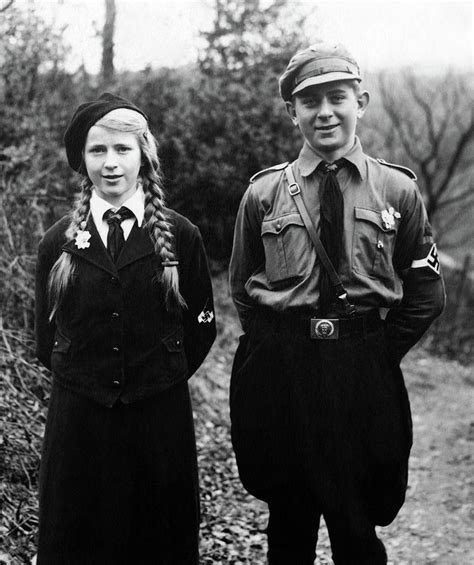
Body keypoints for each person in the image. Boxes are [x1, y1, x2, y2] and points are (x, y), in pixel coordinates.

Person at [229, 43, 445, 564]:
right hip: (284, 370)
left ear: (361, 101)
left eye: (337, 97)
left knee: (357, 518)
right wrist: (279, 347)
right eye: (310, 102)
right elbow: (242, 287)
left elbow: (426, 291)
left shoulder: (396, 189)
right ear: (292, 112)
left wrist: (375, 349)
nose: (324, 112)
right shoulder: (264, 194)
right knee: (288, 518)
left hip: (361, 370)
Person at [34, 93, 216, 564]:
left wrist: (153, 376)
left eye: (123, 150)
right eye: (98, 151)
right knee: (79, 542)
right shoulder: (57, 243)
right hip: (80, 428)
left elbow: (200, 331)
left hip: (158, 425)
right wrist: (93, 381)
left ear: (144, 156)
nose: (110, 164)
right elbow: (44, 340)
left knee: (156, 542)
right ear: (82, 160)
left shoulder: (182, 237)